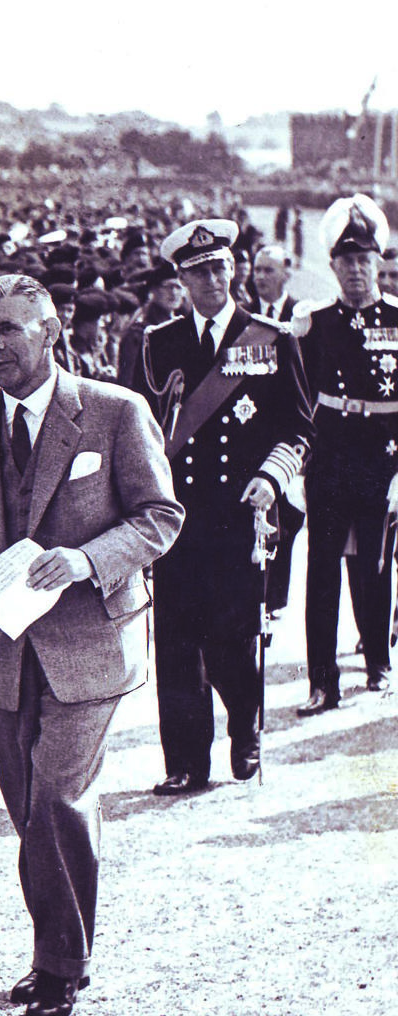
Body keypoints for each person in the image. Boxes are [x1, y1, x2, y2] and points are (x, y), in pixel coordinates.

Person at [0, 275, 182, 1016]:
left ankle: (60, 967)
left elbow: (161, 517)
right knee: (27, 808)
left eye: (10, 329)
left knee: (57, 800)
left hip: (91, 642)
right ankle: (56, 942)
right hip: (5, 648)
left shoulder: (115, 413)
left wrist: (85, 561)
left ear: (51, 332)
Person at [133, 220, 311, 791]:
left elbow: (301, 427)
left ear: (233, 270)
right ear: (181, 278)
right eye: (199, 271)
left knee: (234, 637)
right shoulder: (157, 344)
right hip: (177, 517)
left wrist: (272, 475)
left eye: (220, 268)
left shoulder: (270, 338)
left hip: (241, 514)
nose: (212, 279)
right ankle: (185, 761)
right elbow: (135, 430)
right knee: (179, 638)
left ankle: (246, 731)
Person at [293, 196, 398, 713]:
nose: (356, 270)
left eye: (364, 259)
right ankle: (322, 681)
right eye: (345, 260)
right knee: (322, 566)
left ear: (378, 261)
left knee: (376, 562)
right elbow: (298, 396)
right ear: (331, 265)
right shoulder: (313, 324)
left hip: (383, 455)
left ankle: (378, 659)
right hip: (330, 456)